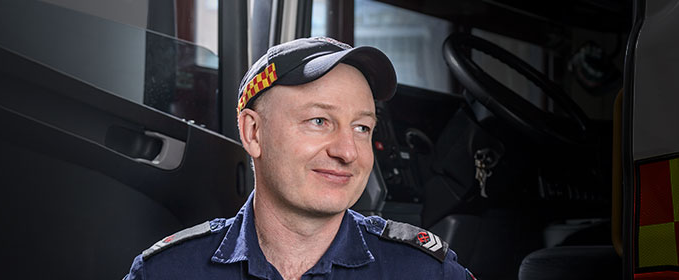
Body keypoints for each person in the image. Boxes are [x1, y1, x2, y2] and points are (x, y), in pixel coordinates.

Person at [124, 37, 475, 280]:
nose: (347, 152)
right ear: (253, 133)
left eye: (362, 128)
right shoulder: (167, 271)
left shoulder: (425, 272)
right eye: (319, 121)